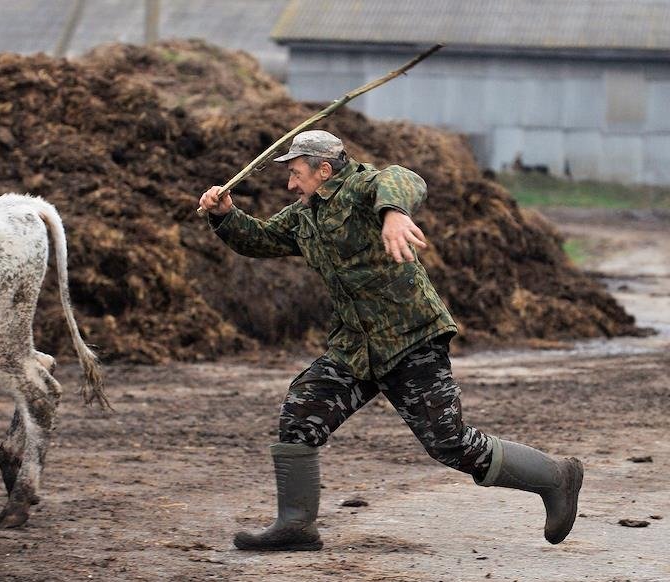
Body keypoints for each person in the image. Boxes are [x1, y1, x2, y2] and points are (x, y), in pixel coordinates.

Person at [198, 130, 583, 552]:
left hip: (410, 339)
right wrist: (226, 215)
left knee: (449, 442)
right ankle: (296, 525)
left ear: (324, 170)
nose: (291, 184)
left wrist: (394, 212)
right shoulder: (303, 216)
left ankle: (556, 477)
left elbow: (404, 177)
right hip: (356, 347)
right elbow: (262, 239)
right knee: (302, 411)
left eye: (296, 173)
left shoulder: (364, 188)